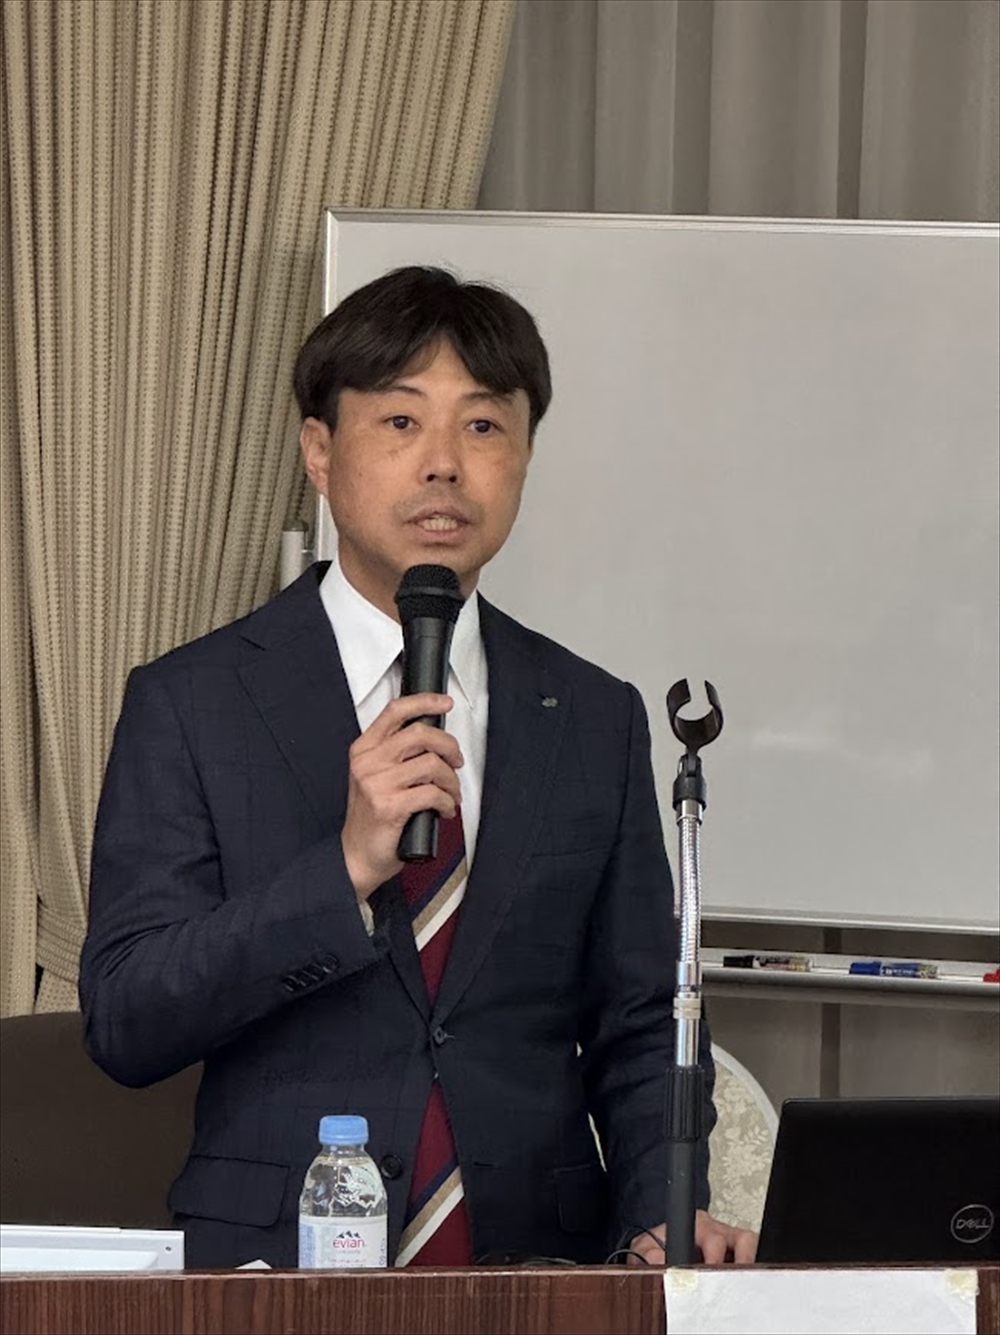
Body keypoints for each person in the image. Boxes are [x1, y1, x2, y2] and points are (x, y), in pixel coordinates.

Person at [79, 266, 757, 1269]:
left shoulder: (591, 714)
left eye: (482, 426)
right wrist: (344, 869)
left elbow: (643, 1021)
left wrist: (661, 1209)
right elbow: (128, 1018)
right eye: (400, 422)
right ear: (319, 450)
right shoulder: (192, 701)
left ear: (524, 455)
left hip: (538, 1274)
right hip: (274, 1273)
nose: (443, 464)